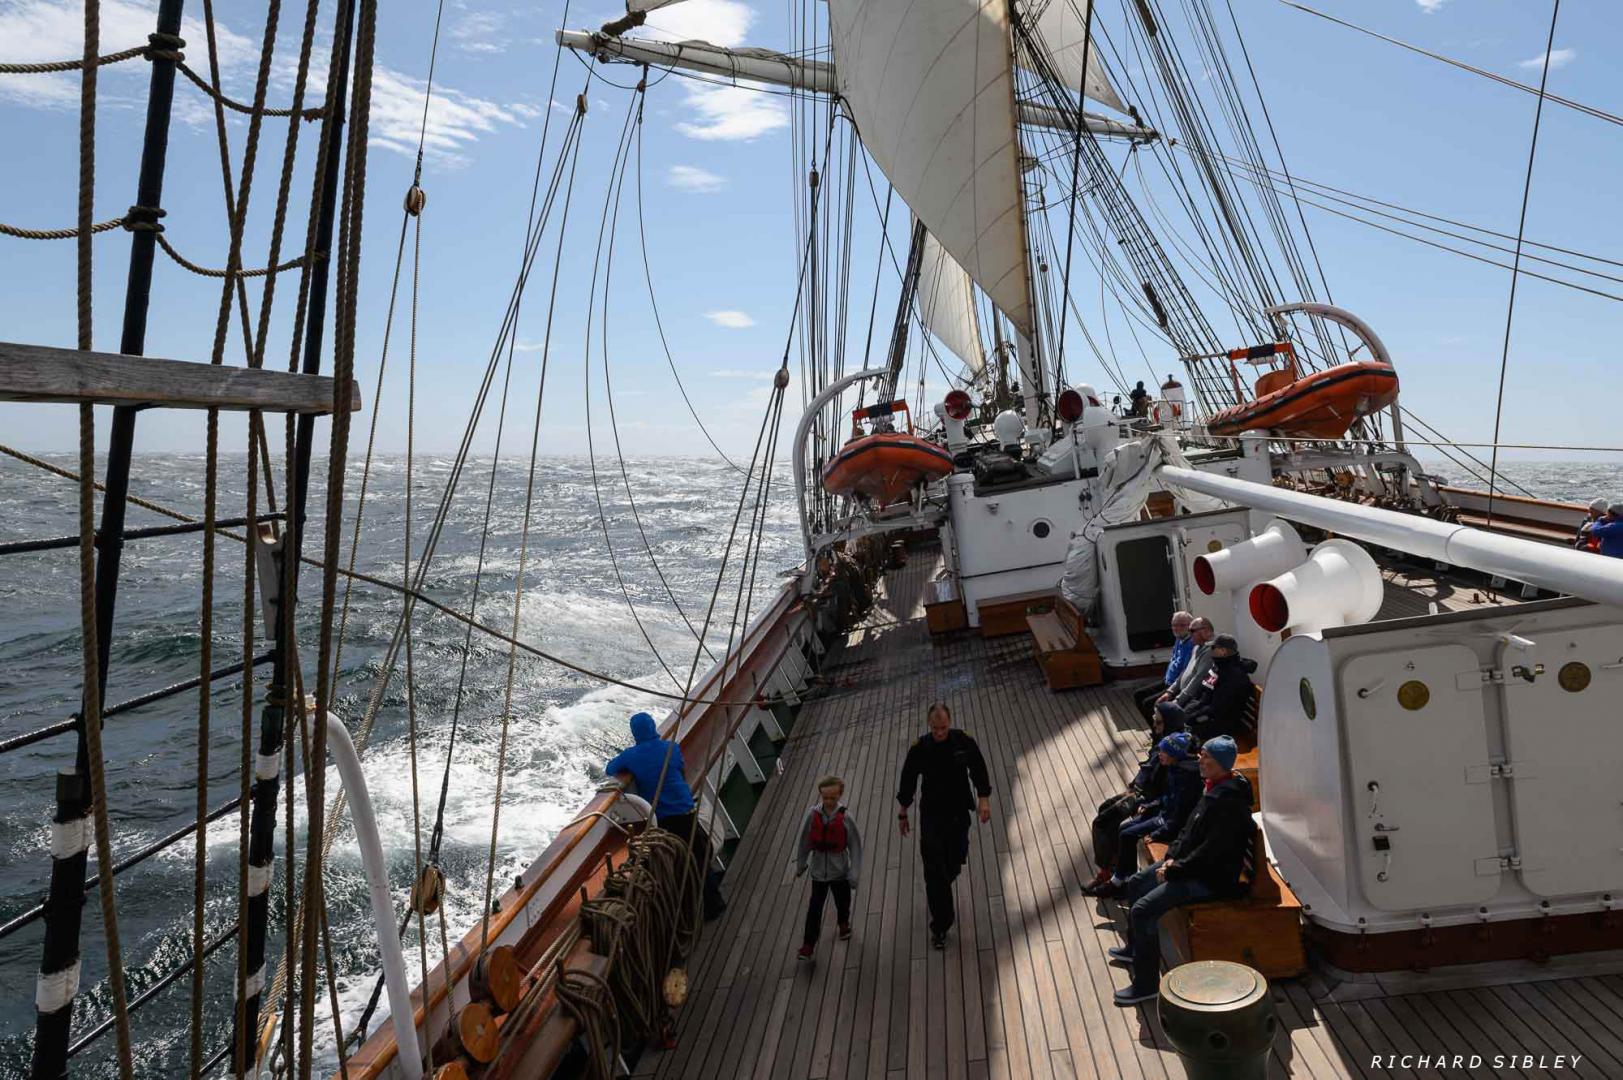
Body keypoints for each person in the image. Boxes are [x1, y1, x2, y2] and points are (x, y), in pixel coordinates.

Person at [1110, 735, 1255, 1007]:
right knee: (1137, 882)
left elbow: (1211, 852)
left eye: (1207, 757)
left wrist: (1175, 869)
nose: (1200, 760)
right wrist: (1171, 857)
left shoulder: (1228, 804)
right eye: (1201, 754)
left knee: (1143, 910)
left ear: (1222, 765)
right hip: (1190, 866)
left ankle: (1145, 985)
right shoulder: (1213, 788)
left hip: (1213, 879)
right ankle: (1135, 948)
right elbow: (1188, 832)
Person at [605, 711, 727, 919]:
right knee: (699, 857)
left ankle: (689, 911)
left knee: (678, 864)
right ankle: (714, 905)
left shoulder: (630, 756)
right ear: (654, 728)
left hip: (663, 820)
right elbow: (679, 769)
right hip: (685, 811)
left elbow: (610, 768)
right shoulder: (671, 748)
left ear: (635, 734)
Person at [896, 702, 992, 950]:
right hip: (932, 815)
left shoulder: (962, 742)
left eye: (943, 728)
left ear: (949, 723)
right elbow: (908, 778)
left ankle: (940, 890)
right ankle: (940, 925)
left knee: (955, 861)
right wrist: (903, 811)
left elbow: (978, 768)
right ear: (930, 725)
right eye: (935, 728)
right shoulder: (921, 748)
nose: (939, 733)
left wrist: (984, 799)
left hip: (958, 813)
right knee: (934, 868)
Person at [1082, 705, 1188, 893]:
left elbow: (1159, 782)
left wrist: (1141, 796)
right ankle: (1115, 864)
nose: (1154, 726)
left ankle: (1108, 874)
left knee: (1102, 822)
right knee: (1104, 808)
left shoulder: (1173, 750)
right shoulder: (1163, 740)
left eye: (1158, 722)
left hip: (1148, 799)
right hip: (1140, 791)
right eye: (1154, 720)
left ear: (1169, 723)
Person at [1101, 732, 1201, 890]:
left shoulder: (1187, 779)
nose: (1159, 754)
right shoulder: (1176, 768)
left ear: (1175, 755)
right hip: (1164, 813)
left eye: (1164, 752)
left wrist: (1156, 834)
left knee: (1127, 834)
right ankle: (1126, 876)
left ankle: (1119, 881)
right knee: (1123, 828)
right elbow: (1167, 797)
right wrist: (1151, 805)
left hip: (1169, 823)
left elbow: (1180, 816)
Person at [795, 775, 864, 959]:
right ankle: (808, 945)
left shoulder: (846, 818)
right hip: (818, 872)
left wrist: (854, 873)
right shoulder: (813, 815)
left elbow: (855, 846)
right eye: (825, 797)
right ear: (820, 796)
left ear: (840, 795)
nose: (828, 801)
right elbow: (805, 840)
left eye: (832, 798)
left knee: (843, 901)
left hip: (839, 871)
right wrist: (801, 863)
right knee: (814, 908)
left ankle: (843, 922)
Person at [1156, 632, 1254, 743]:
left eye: (1213, 647)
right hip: (1206, 714)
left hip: (1221, 724)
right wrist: (1185, 710)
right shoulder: (1218, 668)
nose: (1210, 650)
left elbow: (1217, 708)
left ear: (1223, 651)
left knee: (1175, 731)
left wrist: (1189, 717)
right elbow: (1202, 693)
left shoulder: (1234, 677)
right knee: (1168, 719)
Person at [1133, 611, 1196, 722]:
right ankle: (1156, 729)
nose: (1177, 628)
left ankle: (1161, 733)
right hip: (1168, 680)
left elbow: (1186, 671)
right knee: (1138, 695)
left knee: (1149, 703)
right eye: (1174, 625)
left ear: (1190, 626)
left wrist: (1171, 690)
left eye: (1182, 625)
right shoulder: (1179, 639)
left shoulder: (1191, 644)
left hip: (1177, 685)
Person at [1152, 617, 1214, 718]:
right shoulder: (1197, 648)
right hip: (1182, 692)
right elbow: (1184, 673)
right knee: (1156, 705)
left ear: (1206, 631)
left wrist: (1177, 701)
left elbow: (1197, 680)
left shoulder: (1209, 652)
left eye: (1192, 631)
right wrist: (1170, 691)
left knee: (1164, 713)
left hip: (1193, 697)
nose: (1189, 634)